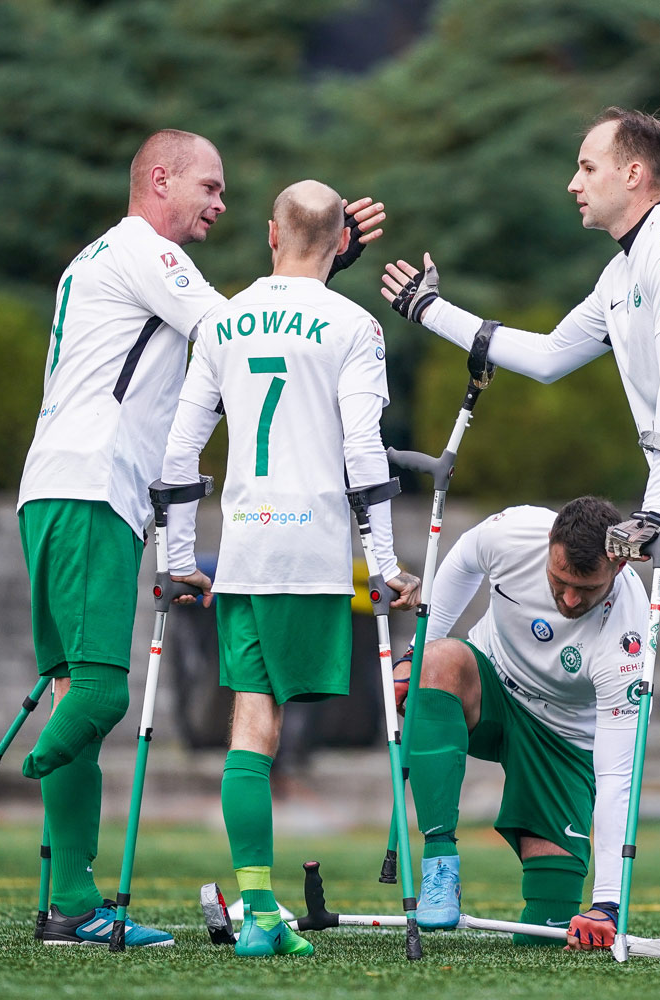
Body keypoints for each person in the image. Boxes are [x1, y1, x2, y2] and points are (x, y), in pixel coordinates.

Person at [380, 108, 660, 959]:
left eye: (586, 166)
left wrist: (654, 504)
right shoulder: (620, 275)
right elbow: (550, 356)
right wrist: (431, 311)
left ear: (635, 173)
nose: (572, 182)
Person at [16, 130, 385, 948]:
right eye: (209, 188)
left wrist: (315, 263)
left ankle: (72, 904)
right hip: (93, 490)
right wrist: (319, 271)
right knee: (100, 697)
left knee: (74, 693)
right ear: (159, 179)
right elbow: (246, 336)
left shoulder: (93, 257)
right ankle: (33, 774)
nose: (220, 203)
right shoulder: (150, 251)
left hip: (49, 492)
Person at [161, 179, 420, 958]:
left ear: (271, 235)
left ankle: (260, 912)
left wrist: (178, 564)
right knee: (279, 727)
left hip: (244, 552)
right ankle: (266, 914)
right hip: (312, 556)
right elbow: (364, 455)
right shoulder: (357, 326)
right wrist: (386, 566)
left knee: (252, 724)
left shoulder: (223, 321)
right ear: (343, 243)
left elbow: (180, 455)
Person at [394, 498, 650, 951]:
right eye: (560, 581)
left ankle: (550, 902)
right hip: (489, 682)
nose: (570, 600)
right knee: (435, 662)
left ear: (618, 565)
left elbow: (617, 775)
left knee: (549, 929)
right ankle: (439, 863)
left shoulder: (630, 636)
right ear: (548, 547)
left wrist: (607, 903)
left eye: (586, 590)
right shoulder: (515, 532)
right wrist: (415, 654)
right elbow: (463, 560)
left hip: (564, 736)